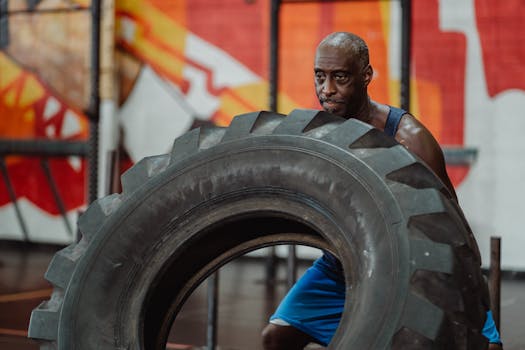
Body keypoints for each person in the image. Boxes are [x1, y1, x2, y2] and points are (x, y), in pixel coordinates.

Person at [261, 32, 503, 350]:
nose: (327, 90)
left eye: (340, 77)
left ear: (366, 76)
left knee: (485, 347)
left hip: (410, 268)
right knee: (276, 338)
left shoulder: (409, 140)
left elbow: (450, 229)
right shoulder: (320, 132)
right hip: (341, 267)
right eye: (320, 77)